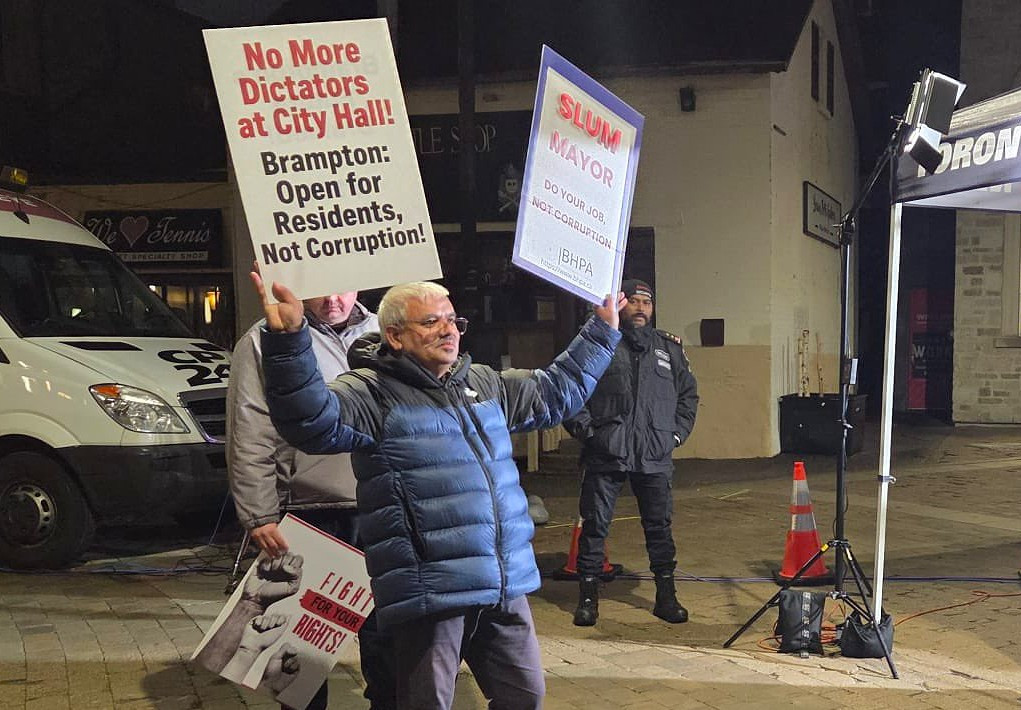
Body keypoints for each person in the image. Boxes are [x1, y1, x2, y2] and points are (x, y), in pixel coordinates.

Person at [254, 275, 625, 710]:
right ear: (395, 335)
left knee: (525, 696)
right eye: (431, 322)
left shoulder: (483, 384)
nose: (448, 330)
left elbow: (555, 392)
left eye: (452, 320)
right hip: (432, 591)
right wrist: (288, 342)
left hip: (502, 582)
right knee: (426, 702)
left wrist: (601, 330)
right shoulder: (370, 393)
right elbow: (310, 421)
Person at [227, 289, 392, 710]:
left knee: (389, 644)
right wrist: (259, 512)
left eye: (342, 287)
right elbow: (250, 427)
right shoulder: (264, 338)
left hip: (383, 506)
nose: (333, 300)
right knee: (299, 657)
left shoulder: (387, 329)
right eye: (321, 290)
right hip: (309, 509)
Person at [563, 278, 698, 627]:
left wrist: (675, 436)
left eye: (646, 303)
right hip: (606, 452)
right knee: (595, 527)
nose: (641, 308)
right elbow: (571, 391)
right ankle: (588, 599)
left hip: (653, 454)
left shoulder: (669, 349)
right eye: (634, 301)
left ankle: (666, 596)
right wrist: (590, 434)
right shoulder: (598, 342)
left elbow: (688, 396)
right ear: (620, 305)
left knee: (659, 528)